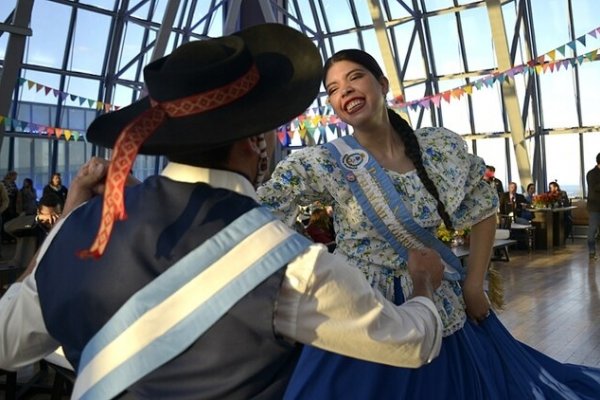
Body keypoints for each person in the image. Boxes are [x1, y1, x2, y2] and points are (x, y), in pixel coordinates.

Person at [0, 24, 446, 400]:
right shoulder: (292, 265)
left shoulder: (78, 228)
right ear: (257, 140)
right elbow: (410, 344)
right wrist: (424, 285)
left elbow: (6, 341)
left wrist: (65, 225)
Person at [257, 48, 600, 398]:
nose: (343, 91)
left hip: (439, 300)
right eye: (332, 89)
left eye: (354, 77)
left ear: (382, 83)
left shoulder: (437, 148)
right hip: (362, 306)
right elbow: (259, 209)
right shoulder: (323, 162)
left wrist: (473, 284)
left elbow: (483, 208)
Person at [586, 152, 600, 260]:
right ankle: (591, 251)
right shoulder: (591, 174)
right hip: (595, 206)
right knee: (593, 229)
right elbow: (594, 188)